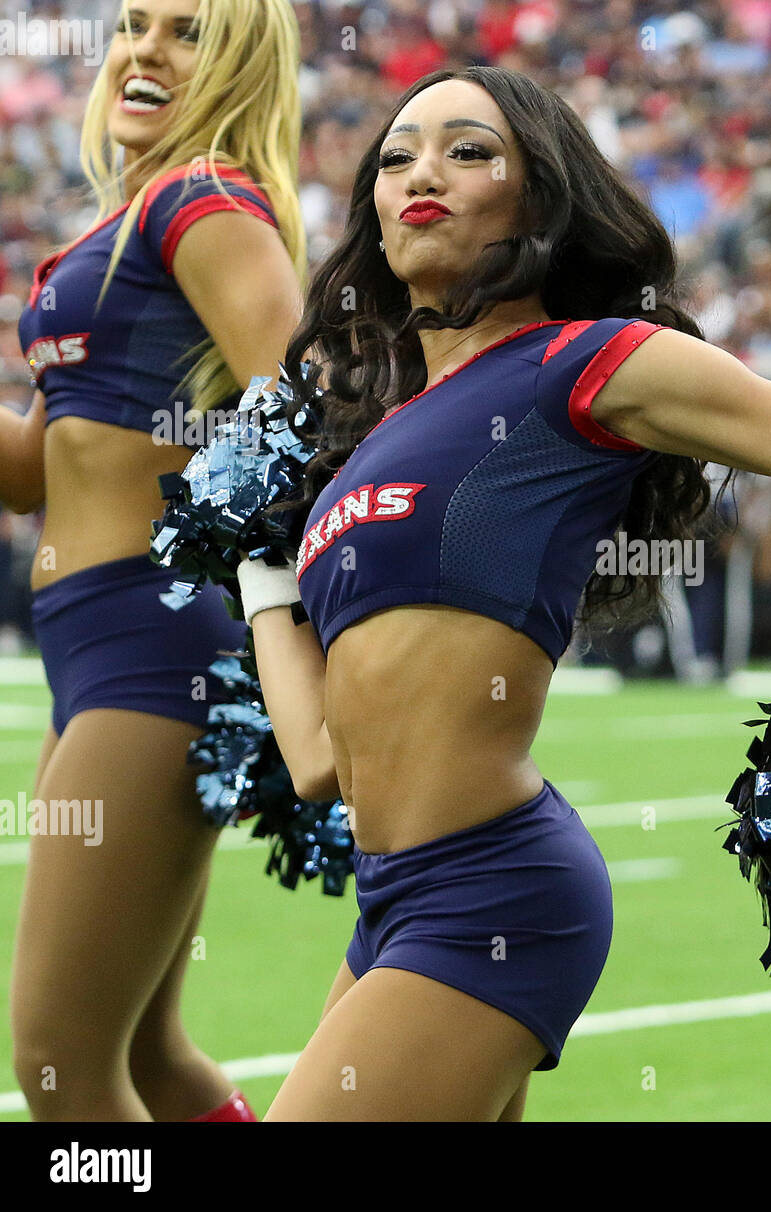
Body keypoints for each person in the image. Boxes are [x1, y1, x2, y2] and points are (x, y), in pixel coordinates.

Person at [234, 65, 771, 1121]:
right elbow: (319, 763)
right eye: (396, 157)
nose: (422, 172)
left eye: (469, 151)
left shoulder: (585, 364)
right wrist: (256, 570)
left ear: (539, 200)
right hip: (388, 904)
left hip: (490, 893)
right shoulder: (369, 445)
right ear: (373, 214)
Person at [1, 0, 305, 1121]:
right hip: (97, 655)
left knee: (59, 1067)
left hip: (155, 645)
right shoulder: (123, 221)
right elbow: (40, 470)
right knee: (145, 1059)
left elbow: (302, 403)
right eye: (134, 23)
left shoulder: (205, 200)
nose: (144, 50)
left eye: (186, 32)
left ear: (235, 65)